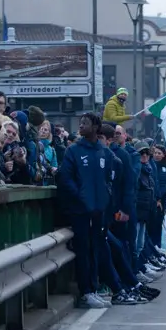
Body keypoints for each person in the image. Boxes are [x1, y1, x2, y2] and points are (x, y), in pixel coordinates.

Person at [57, 113, 113, 309]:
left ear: (96, 127)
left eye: (85, 123)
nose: (80, 126)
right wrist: (80, 197)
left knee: (95, 249)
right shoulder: (73, 150)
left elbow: (109, 176)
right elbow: (65, 178)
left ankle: (94, 288)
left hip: (99, 211)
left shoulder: (103, 151)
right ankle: (85, 292)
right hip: (80, 211)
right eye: (80, 123)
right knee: (83, 250)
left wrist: (106, 196)